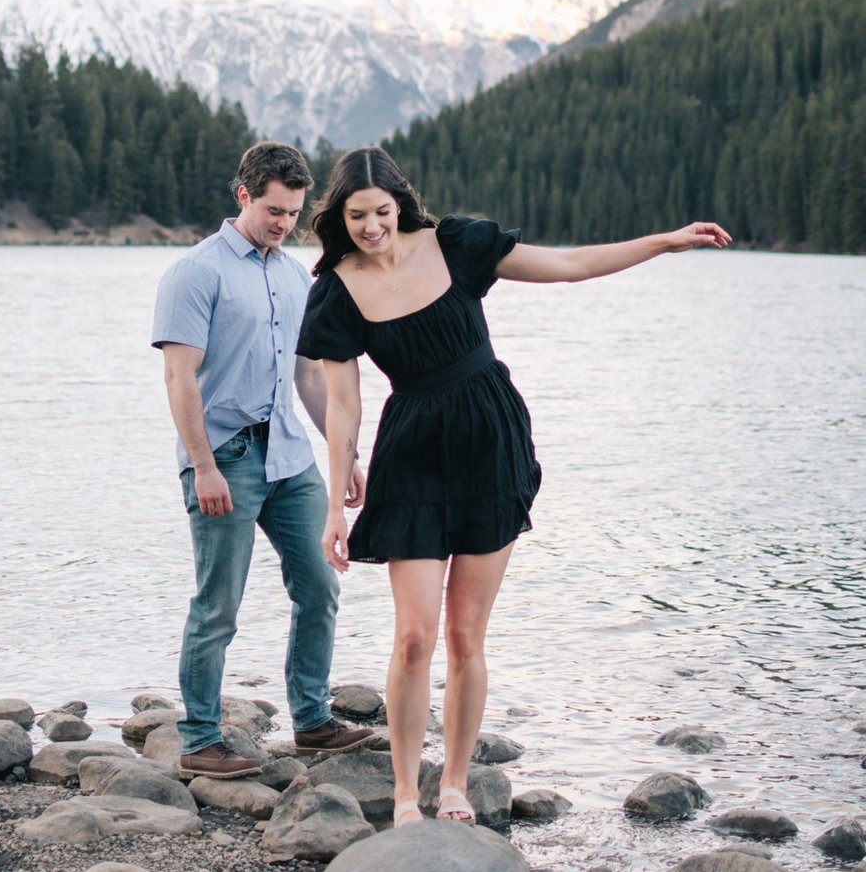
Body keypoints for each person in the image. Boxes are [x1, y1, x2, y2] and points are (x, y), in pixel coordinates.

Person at [296, 145, 731, 826]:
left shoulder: (458, 245)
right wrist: (333, 504)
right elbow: (343, 403)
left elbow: (566, 267)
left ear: (400, 204)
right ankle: (407, 793)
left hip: (488, 442)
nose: (372, 226)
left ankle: (457, 786)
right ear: (340, 215)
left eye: (382, 211)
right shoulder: (335, 289)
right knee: (413, 636)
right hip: (410, 452)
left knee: (466, 634)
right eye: (358, 215)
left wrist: (664, 243)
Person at [151, 140, 375, 780]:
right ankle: (199, 740)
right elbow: (179, 379)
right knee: (217, 606)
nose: (284, 223)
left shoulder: (291, 273)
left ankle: (311, 721)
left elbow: (308, 376)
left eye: (294, 213)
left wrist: (344, 453)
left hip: (291, 460)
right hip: (225, 457)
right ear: (243, 194)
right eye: (274, 210)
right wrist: (204, 466)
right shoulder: (196, 272)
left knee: (320, 586)